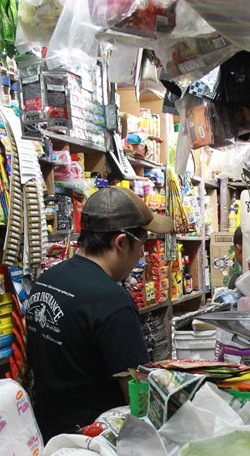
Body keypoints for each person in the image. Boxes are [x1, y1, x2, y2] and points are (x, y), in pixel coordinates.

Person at [26, 186, 174, 441]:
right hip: (95, 440)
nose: (142, 254)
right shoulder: (113, 302)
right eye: (142, 244)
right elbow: (137, 396)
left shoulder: (48, 280)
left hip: (48, 434)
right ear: (121, 242)